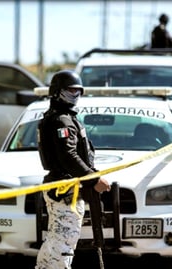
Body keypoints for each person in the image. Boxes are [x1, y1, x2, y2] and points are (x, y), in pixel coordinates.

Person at [35, 70, 110, 269]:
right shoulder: (61, 120)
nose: (75, 95)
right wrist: (93, 179)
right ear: (57, 91)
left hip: (64, 187)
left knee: (55, 239)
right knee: (63, 242)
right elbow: (68, 156)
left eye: (78, 91)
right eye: (70, 90)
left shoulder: (62, 117)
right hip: (65, 190)